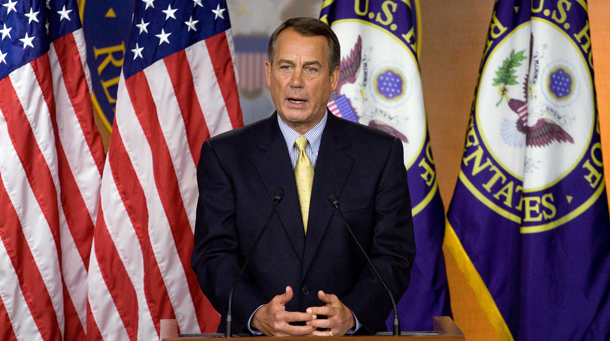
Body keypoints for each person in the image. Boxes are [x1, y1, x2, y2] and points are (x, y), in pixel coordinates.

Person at [191, 17, 415, 336]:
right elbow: (214, 254)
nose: (296, 81)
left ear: (334, 77)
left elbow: (394, 253)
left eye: (310, 68)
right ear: (269, 73)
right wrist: (255, 313)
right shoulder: (226, 156)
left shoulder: (379, 153)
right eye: (285, 67)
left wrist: (353, 313)